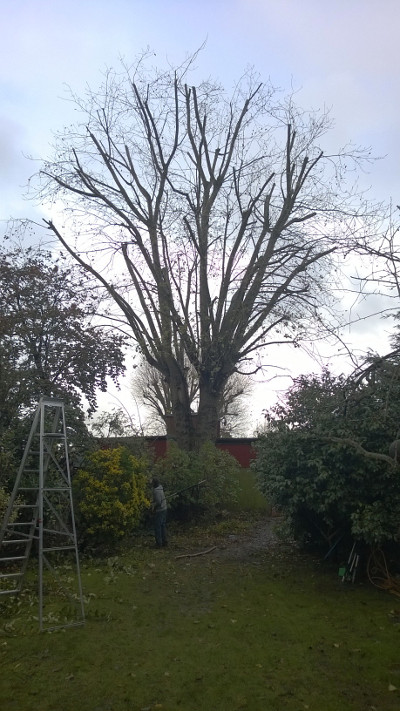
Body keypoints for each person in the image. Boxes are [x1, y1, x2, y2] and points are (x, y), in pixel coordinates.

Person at [151, 477, 167, 547]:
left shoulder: (156, 491)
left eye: (152, 482)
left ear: (154, 483)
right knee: (162, 525)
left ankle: (158, 544)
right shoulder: (160, 488)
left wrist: (153, 507)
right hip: (164, 509)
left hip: (160, 510)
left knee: (157, 527)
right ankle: (164, 541)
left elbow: (158, 502)